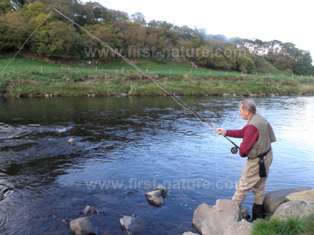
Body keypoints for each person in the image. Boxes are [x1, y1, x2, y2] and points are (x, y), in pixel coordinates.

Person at [216, 99, 276, 221]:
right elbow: (244, 132)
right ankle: (257, 217)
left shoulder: (252, 126)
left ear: (247, 111)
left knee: (242, 187)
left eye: (240, 110)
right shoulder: (259, 119)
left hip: (257, 162)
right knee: (259, 186)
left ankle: (229, 214)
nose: (239, 113)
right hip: (267, 156)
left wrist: (241, 151)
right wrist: (226, 132)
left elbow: (243, 151)